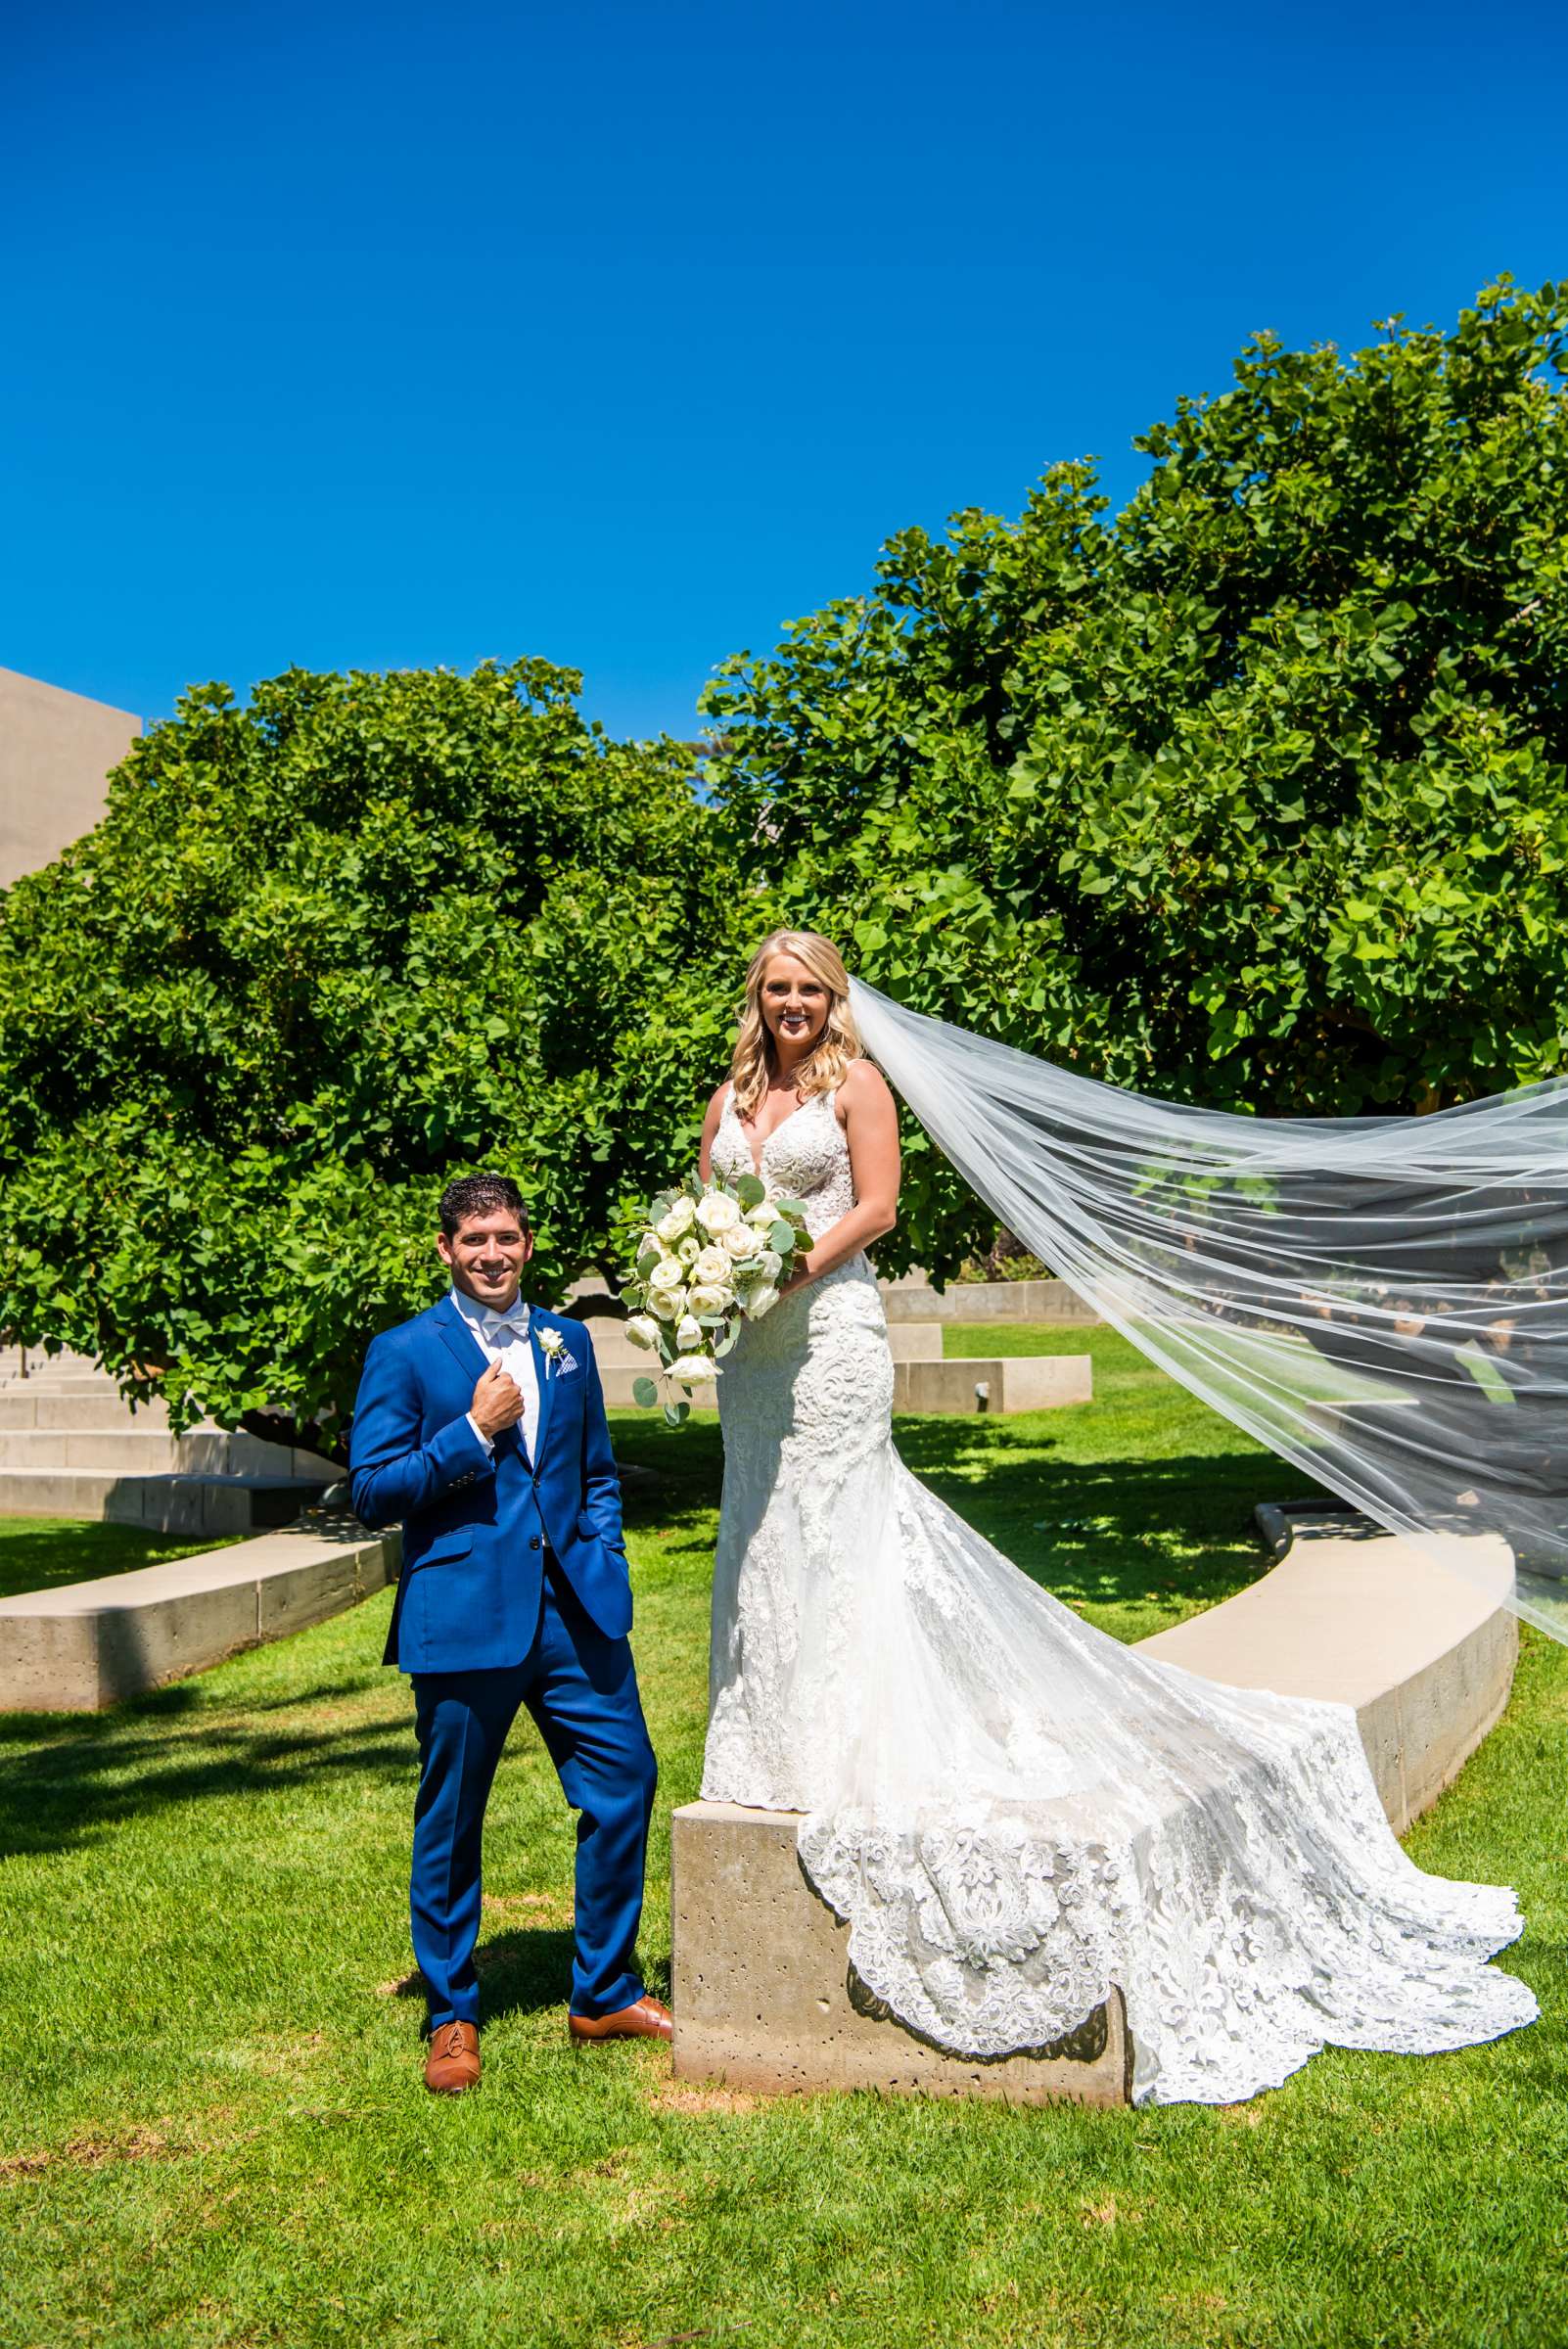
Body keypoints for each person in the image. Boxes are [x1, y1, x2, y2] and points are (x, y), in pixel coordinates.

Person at [696, 931, 1537, 2105]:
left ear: (833, 1001)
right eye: (775, 989)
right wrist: (705, 1271)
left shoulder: (857, 1084)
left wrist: (785, 1265)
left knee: (839, 1525)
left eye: (807, 991)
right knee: (762, 1526)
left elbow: (879, 1207)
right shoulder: (733, 1092)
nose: (789, 1006)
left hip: (829, 1332)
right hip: (753, 1355)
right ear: (758, 998)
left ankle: (841, 1736)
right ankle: (767, 1739)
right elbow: (707, 1203)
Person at [349, 1172, 668, 2096]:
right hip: (465, 1618)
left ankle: (603, 1989)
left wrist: (601, 1550)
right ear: (446, 1248)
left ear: (528, 1246)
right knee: (452, 1819)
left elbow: (595, 1469)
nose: (493, 1253)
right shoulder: (405, 1352)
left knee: (625, 1783)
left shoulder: (568, 1343)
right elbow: (372, 1490)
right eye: (475, 1239)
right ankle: (451, 2013)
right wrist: (471, 1434)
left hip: (575, 1610)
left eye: (509, 1237)